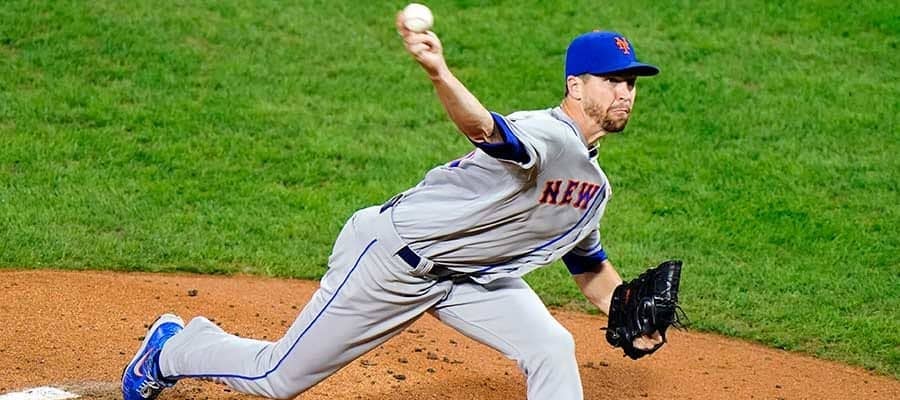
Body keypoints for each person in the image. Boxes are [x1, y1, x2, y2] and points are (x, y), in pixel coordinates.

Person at [122, 10, 665, 400]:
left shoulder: (594, 185)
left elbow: (587, 264)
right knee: (276, 378)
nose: (625, 93)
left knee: (550, 345)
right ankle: (172, 348)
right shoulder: (548, 134)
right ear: (575, 86)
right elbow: (486, 129)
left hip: (468, 279)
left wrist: (628, 312)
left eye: (631, 83)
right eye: (612, 81)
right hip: (392, 261)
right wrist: (439, 73)